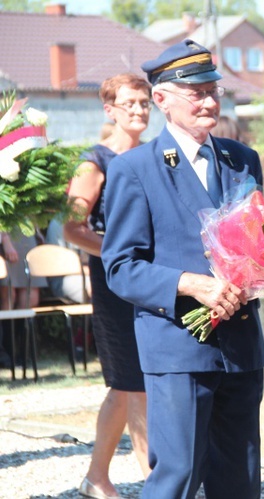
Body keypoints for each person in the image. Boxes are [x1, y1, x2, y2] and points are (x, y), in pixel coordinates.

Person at [100, 39, 264, 499]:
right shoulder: (135, 169)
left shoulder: (240, 159)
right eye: (197, 92)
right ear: (161, 100)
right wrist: (191, 285)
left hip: (240, 347)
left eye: (214, 89)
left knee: (240, 481)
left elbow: (260, 244)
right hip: (179, 348)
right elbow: (121, 267)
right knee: (178, 478)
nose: (210, 101)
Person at [62, 73, 152, 499]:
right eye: (129, 103)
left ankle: (96, 477)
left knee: (127, 385)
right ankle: (157, 483)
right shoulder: (94, 162)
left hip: (152, 281)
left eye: (145, 103)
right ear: (110, 109)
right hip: (115, 282)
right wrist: (118, 253)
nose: (138, 110)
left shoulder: (153, 156)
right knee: (134, 383)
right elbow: (71, 229)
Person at [0, 231, 46, 368]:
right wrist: (5, 240)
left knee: (30, 298)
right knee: (8, 296)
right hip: (6, 232)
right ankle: (6, 352)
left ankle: (21, 351)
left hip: (26, 232)